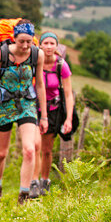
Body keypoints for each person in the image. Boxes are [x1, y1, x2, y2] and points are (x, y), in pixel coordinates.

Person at [0, 19, 47, 205]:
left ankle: (23, 197)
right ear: (14, 38)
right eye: (21, 41)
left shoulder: (37, 54)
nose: (25, 46)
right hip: (3, 106)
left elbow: (40, 85)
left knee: (29, 150)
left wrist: (44, 116)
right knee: (1, 153)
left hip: (26, 104)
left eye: (29, 41)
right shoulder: (1, 54)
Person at [36, 32, 74, 196]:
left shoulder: (61, 65)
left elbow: (68, 94)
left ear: (56, 46)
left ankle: (45, 183)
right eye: (46, 43)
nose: (49, 47)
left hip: (53, 111)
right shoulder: (34, 63)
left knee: (46, 149)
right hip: (34, 109)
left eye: (52, 43)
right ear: (40, 46)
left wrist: (69, 118)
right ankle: (32, 183)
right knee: (33, 147)